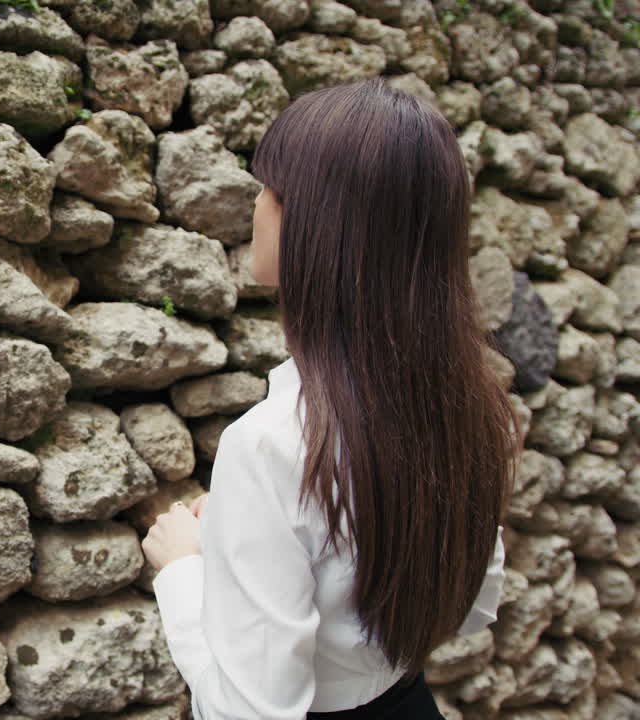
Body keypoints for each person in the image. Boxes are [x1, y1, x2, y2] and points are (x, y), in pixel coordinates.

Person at [141, 78, 521, 720]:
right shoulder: (467, 405)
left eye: (271, 189)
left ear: (315, 224)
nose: (257, 204)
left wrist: (182, 570)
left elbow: (249, 713)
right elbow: (477, 606)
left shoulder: (271, 445)